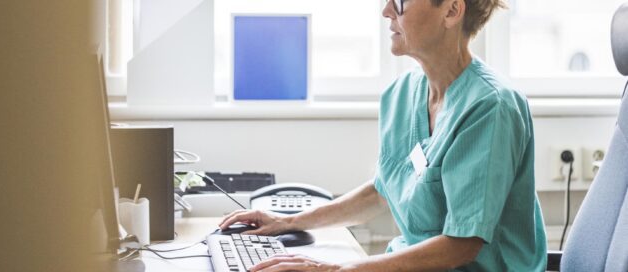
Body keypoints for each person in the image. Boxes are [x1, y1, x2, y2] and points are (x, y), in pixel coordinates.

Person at [219, 0, 547, 270]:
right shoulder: (402, 94)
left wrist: (334, 271)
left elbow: (462, 245)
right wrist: (288, 222)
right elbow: (381, 191)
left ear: (451, 10)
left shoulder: (491, 106)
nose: (387, 10)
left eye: (401, 3)